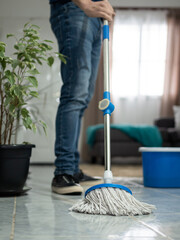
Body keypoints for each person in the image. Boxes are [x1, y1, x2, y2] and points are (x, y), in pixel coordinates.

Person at [49, 0, 115, 195]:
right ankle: (63, 171)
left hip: (95, 20)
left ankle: (73, 170)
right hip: (75, 9)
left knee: (84, 96)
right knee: (75, 93)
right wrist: (85, 3)